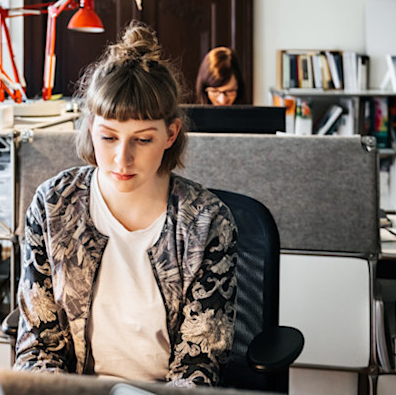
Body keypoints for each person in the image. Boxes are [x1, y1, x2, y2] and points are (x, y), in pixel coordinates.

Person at [13, 22, 238, 387]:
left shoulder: (207, 222)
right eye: (108, 137)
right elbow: (39, 348)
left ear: (170, 135)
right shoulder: (54, 205)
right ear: (90, 130)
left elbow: (198, 364)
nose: (122, 159)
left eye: (143, 140)